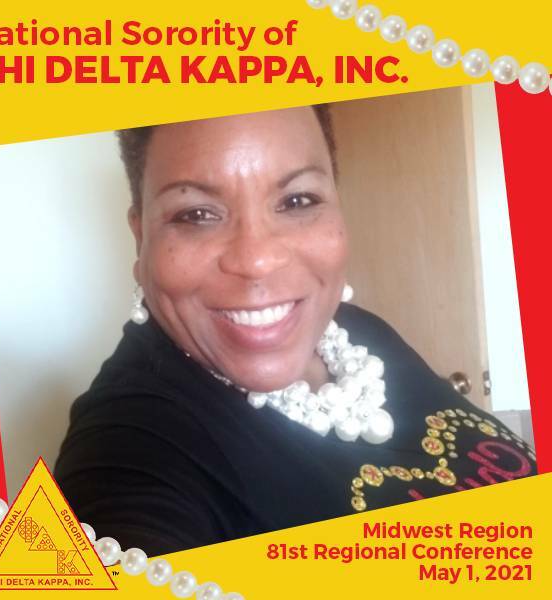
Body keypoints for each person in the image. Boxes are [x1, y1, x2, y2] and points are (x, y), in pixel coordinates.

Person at [54, 105, 536, 556]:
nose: (257, 260)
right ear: (141, 236)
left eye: (297, 200)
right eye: (196, 214)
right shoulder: (125, 446)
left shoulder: (357, 333)